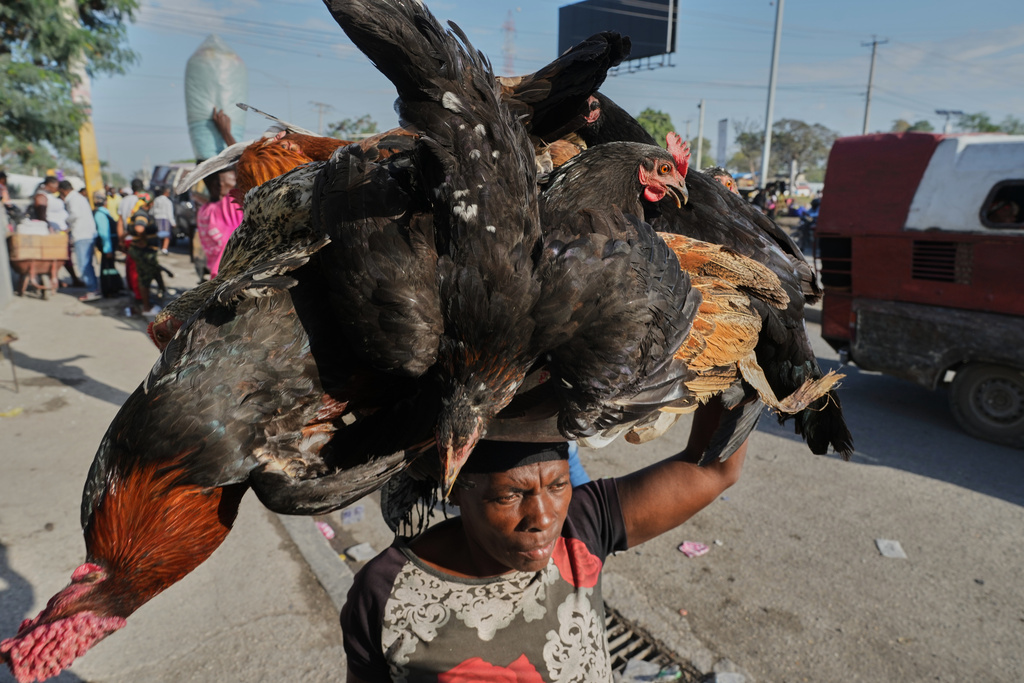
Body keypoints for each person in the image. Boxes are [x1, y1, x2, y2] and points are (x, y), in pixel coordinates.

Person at [341, 401, 747, 682]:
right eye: (509, 496)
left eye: (557, 485)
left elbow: (713, 468)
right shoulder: (386, 594)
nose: (545, 518)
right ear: (455, 490)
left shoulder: (582, 529)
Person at [195, 168, 244, 277]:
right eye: (232, 177)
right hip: (230, 271)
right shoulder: (227, 207)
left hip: (217, 270)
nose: (234, 180)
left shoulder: (204, 210)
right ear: (220, 184)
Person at [58, 180, 100, 299]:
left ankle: (92, 290)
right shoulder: (79, 197)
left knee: (84, 265)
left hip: (82, 235)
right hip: (87, 234)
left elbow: (75, 215)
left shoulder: (72, 199)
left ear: (63, 190)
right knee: (87, 264)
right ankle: (93, 288)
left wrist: (66, 222)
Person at [92, 190, 123, 298]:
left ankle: (114, 288)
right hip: (107, 246)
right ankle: (109, 290)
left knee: (109, 267)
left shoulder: (103, 212)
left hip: (109, 246)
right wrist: (107, 249)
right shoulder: (100, 214)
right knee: (106, 268)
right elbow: (104, 233)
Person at [152, 185, 175, 254]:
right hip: (165, 219)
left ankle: (158, 247)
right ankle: (164, 249)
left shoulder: (156, 200)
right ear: (166, 192)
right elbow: (170, 213)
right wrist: (173, 222)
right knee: (166, 235)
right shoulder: (168, 202)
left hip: (157, 218)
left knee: (158, 234)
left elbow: (153, 210)